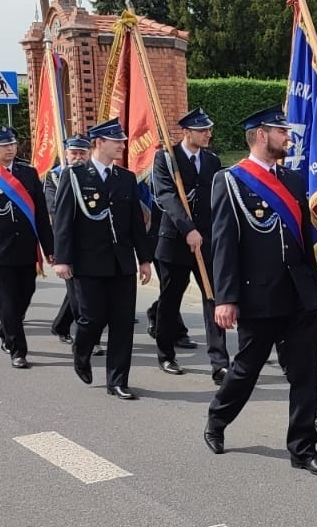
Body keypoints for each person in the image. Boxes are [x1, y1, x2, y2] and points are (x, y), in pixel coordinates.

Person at [203, 106, 317, 473]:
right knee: (246, 369)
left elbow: (303, 241)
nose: (288, 138)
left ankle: (303, 448)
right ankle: (217, 418)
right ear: (261, 135)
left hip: (299, 294)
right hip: (258, 295)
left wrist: (312, 285)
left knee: (305, 373)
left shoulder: (292, 180)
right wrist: (225, 298)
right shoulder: (230, 181)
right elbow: (224, 243)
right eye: (282, 132)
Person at [50, 118, 151, 399]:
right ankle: (81, 351)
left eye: (121, 140)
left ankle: (117, 381)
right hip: (88, 262)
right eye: (116, 140)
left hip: (121, 262)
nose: (122, 145)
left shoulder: (126, 178)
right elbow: (63, 221)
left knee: (122, 323)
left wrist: (144, 259)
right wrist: (62, 259)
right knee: (91, 319)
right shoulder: (75, 176)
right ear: (99, 143)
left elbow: (135, 224)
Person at [0, 125, 54, 370]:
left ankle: (6, 327)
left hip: (26, 247)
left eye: (13, 144)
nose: (10, 149)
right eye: (4, 145)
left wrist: (49, 247)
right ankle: (18, 350)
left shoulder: (28, 172)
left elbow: (40, 213)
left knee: (25, 294)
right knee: (7, 301)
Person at [151, 108, 228, 381]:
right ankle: (165, 354)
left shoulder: (212, 161)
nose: (208, 134)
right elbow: (167, 197)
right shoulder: (165, 159)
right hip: (175, 241)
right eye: (202, 130)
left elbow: (218, 201)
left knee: (213, 298)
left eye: (209, 129)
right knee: (171, 300)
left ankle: (219, 361)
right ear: (186, 132)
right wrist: (188, 229)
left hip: (206, 242)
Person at [46, 136, 92, 343]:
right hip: (66, 240)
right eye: (74, 153)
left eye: (82, 153)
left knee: (78, 290)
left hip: (90, 242)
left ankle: (61, 325)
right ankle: (90, 337)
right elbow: (53, 207)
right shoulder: (54, 176)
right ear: (66, 154)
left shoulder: (94, 175)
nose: (78, 157)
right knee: (77, 292)